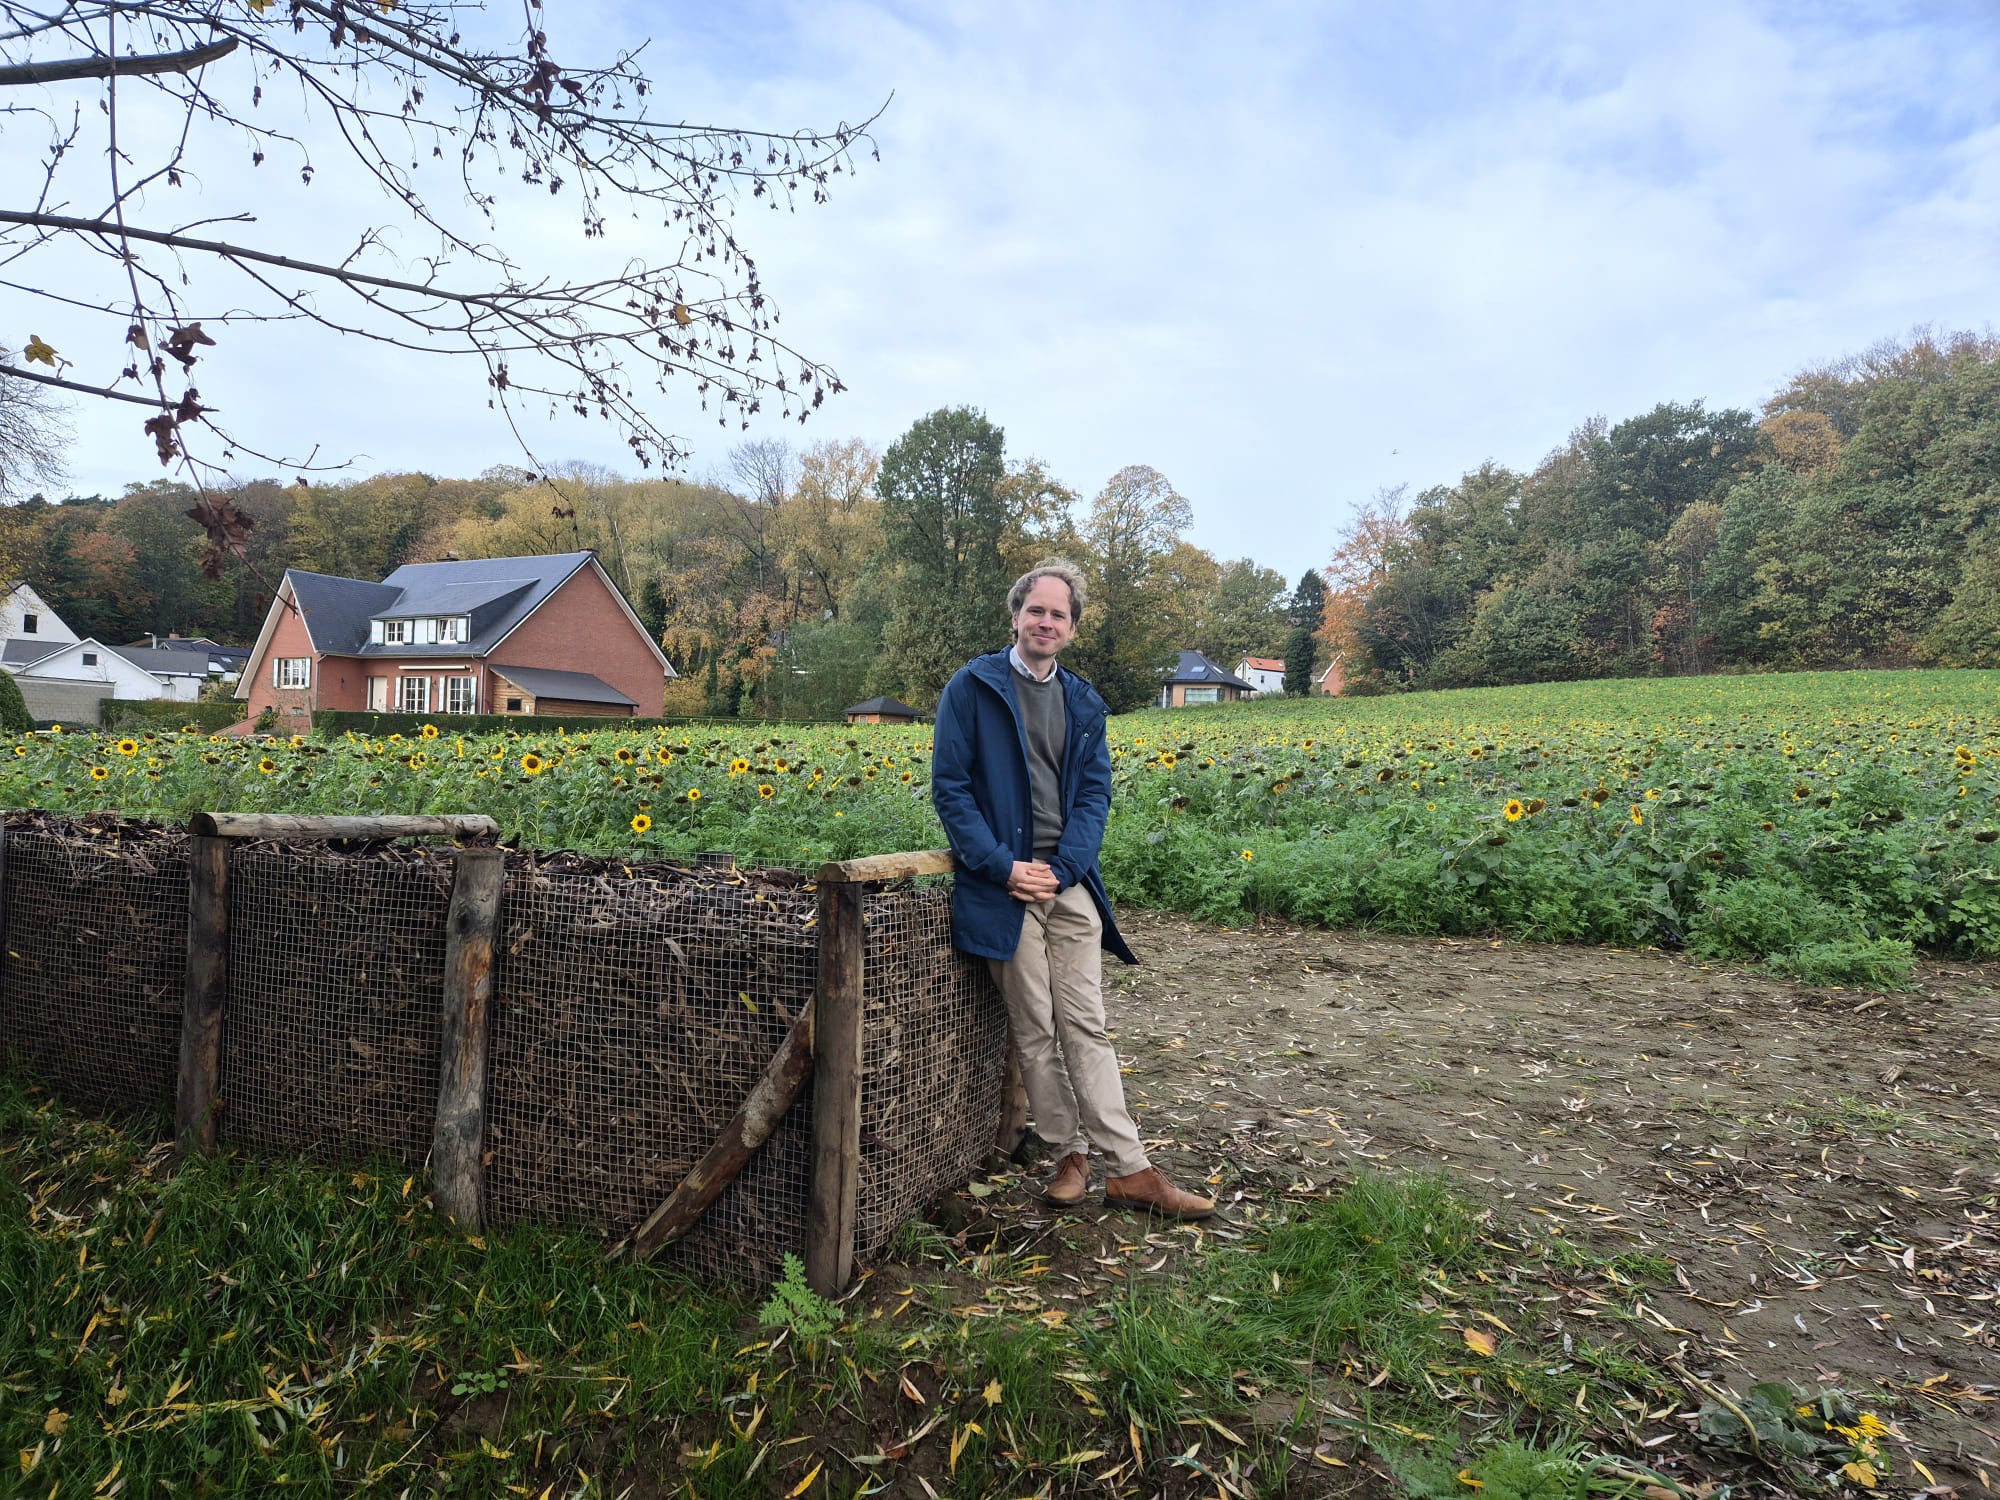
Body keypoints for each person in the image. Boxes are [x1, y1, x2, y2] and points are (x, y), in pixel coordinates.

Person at [932, 560, 1215, 1219]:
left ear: (1072, 627)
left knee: (1084, 1024)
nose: (1046, 622)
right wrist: (1003, 866)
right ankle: (1069, 1157)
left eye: (1059, 614)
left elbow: (1094, 798)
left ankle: (1130, 1170)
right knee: (1034, 1027)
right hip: (1001, 887)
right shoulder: (971, 688)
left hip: (1065, 882)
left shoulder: (1084, 703)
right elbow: (952, 788)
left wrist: (1062, 868)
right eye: (1037, 610)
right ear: (1015, 614)